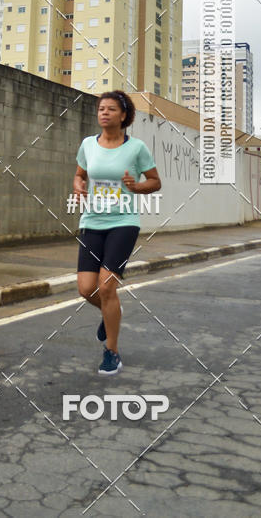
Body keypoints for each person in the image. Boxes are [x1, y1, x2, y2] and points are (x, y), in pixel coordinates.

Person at [74, 91, 161, 376]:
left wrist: (135, 187)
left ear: (123, 115)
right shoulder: (88, 144)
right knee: (86, 288)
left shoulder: (136, 148)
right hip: (92, 221)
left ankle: (111, 351)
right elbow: (79, 174)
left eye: (111, 109)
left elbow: (155, 181)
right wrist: (78, 185)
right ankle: (110, 313)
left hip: (123, 221)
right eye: (101, 108)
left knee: (107, 286)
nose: (104, 113)